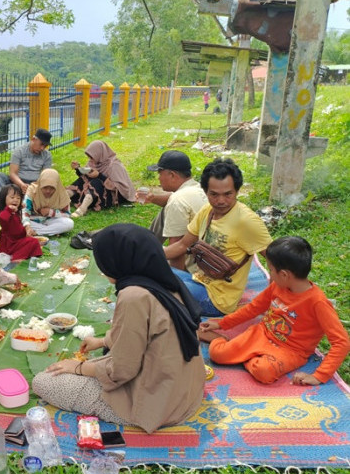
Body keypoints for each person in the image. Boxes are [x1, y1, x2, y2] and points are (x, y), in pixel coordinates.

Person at [32, 224, 205, 433]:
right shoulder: (162, 278)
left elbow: (122, 370)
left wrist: (77, 368)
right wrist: (104, 341)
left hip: (159, 403)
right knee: (97, 362)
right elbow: (146, 333)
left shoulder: (134, 296)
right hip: (185, 391)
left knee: (43, 381)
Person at [198, 236, 350, 385]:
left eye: (270, 269)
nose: (269, 274)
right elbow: (253, 308)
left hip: (290, 351)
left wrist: (319, 376)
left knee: (264, 372)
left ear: (284, 274)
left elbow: (342, 342)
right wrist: (221, 324)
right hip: (262, 333)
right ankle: (228, 343)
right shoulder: (277, 286)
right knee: (216, 354)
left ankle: (245, 355)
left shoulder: (318, 302)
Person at [164, 158, 272, 316]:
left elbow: (276, 260)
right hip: (198, 281)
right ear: (205, 191)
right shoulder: (207, 211)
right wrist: (151, 255)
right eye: (214, 194)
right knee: (152, 270)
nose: (221, 201)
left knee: (154, 287)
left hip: (217, 300)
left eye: (228, 194)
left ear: (237, 191)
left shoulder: (247, 221)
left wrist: (272, 301)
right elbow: (182, 245)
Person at [145, 150, 207, 271]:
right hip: (213, 258)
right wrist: (153, 198)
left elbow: (176, 254)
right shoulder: (199, 188)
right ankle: (148, 244)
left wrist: (177, 284)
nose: (158, 178)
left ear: (172, 175)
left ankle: (146, 247)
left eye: (160, 173)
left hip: (197, 269)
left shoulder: (177, 201)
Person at [67, 140, 136, 217]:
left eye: (92, 156)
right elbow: (86, 178)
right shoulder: (93, 162)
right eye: (89, 156)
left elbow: (119, 188)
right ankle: (64, 199)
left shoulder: (114, 165)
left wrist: (99, 175)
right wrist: (78, 169)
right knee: (82, 180)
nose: (90, 159)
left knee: (96, 182)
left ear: (99, 153)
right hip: (98, 191)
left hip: (115, 195)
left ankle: (82, 209)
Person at [0, 128, 53, 202]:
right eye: (41, 144)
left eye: (45, 146)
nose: (42, 148)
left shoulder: (47, 155)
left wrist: (33, 187)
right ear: (33, 139)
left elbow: (45, 176)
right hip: (18, 183)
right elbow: (12, 173)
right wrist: (21, 185)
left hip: (36, 185)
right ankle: (3, 205)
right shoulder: (19, 151)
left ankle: (30, 201)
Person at [21, 169, 74, 236]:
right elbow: (25, 211)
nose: (48, 191)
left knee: (69, 223)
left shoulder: (61, 193)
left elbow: (67, 214)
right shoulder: (32, 190)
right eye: (45, 187)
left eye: (52, 188)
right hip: (33, 220)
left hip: (51, 220)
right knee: (19, 221)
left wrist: (51, 212)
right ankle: (51, 231)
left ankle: (37, 232)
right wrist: (27, 226)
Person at [0, 183, 43, 261]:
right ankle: (16, 258)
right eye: (12, 197)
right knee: (32, 242)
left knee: (33, 241)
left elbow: (17, 227)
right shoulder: (5, 212)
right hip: (9, 245)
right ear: (3, 199)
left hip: (17, 241)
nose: (15, 200)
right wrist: (9, 209)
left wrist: (26, 232)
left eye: (18, 198)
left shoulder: (15, 212)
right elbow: (2, 218)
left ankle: (23, 254)